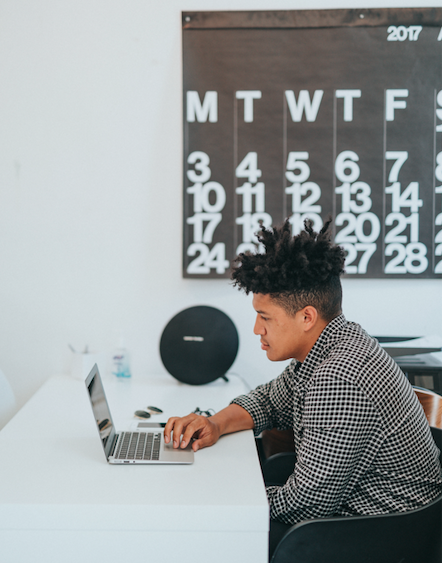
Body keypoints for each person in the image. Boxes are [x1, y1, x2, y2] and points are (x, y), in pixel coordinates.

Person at [164, 218, 442, 554]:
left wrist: (229, 496)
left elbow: (306, 505)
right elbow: (269, 400)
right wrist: (215, 423)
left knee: (210, 533)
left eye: (265, 317)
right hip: (366, 517)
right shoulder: (331, 344)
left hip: (381, 536)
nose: (256, 329)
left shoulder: (339, 376)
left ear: (306, 317)